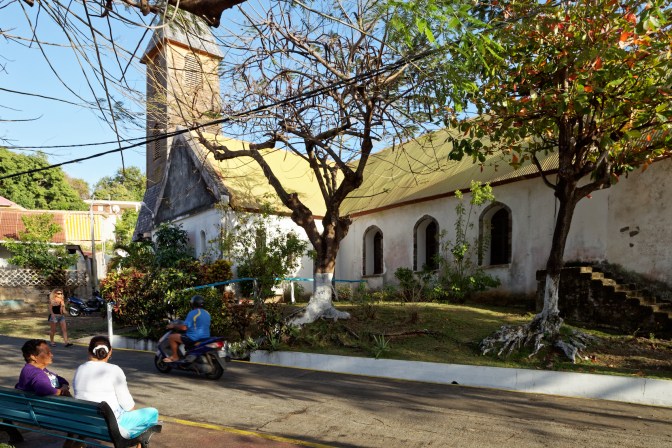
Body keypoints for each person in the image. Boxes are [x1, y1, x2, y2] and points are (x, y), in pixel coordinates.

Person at [73, 336, 159, 446]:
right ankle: (137, 441)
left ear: (89, 351)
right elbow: (128, 405)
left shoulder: (80, 369)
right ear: (110, 352)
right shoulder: (114, 370)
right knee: (152, 412)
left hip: (84, 421)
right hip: (111, 425)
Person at [163, 294, 211, 363]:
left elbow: (184, 328)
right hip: (205, 338)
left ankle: (175, 356)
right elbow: (198, 324)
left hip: (193, 338)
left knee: (171, 337)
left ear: (193, 303)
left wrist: (173, 326)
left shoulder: (193, 313)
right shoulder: (207, 313)